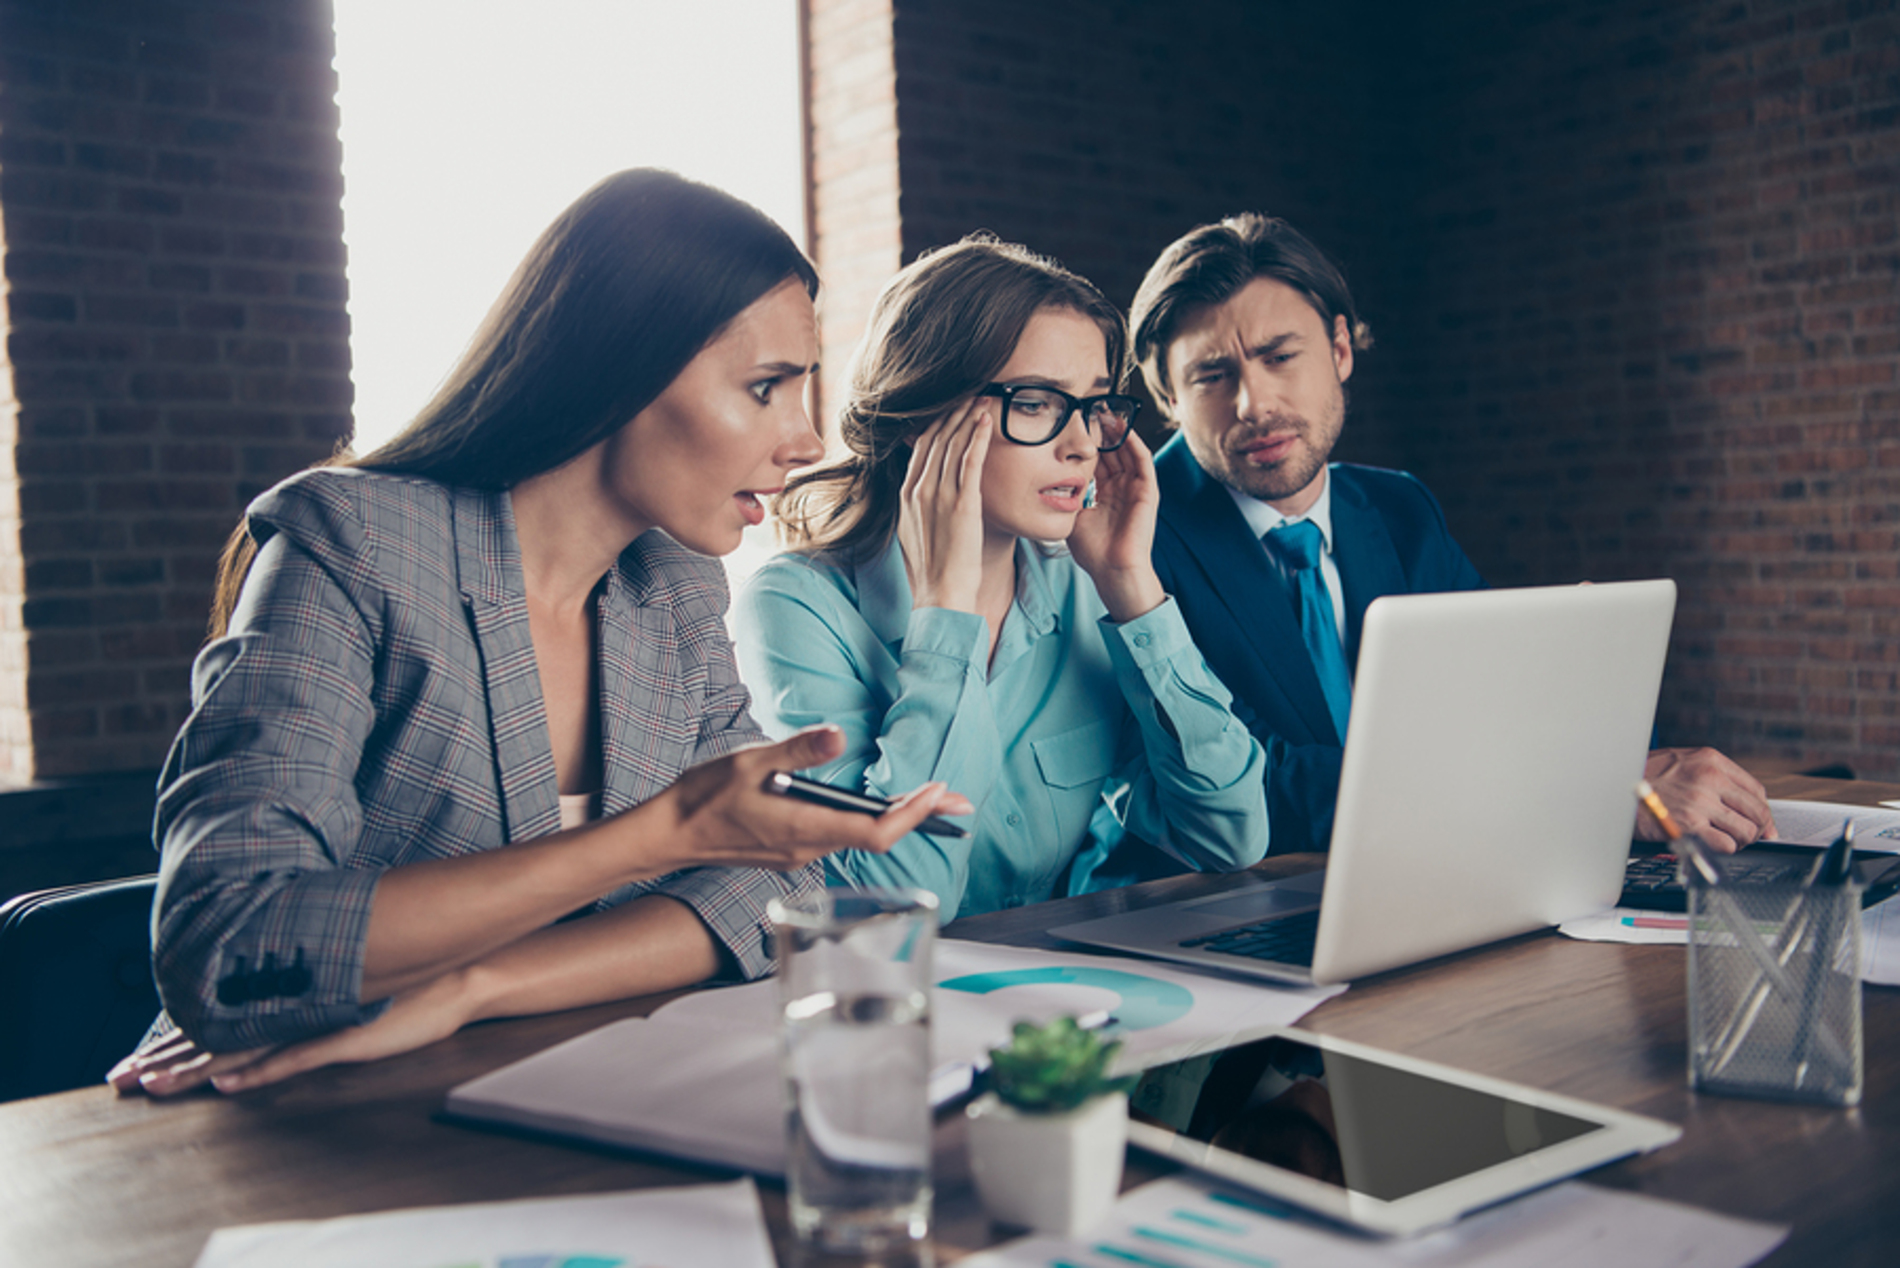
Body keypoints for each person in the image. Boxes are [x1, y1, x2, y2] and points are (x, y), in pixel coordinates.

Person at [108, 170, 967, 1098]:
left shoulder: (673, 586)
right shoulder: (352, 545)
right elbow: (229, 943)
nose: (805, 442)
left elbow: (772, 894)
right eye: (766, 389)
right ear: (621, 369)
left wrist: (477, 985)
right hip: (280, 1107)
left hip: (533, 1087)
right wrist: (661, 835)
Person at [1127, 212, 1776, 855]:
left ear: (1341, 350)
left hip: (1418, 872)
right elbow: (1259, 790)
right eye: (1212, 376)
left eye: (1280, 356)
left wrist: (1592, 702)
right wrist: (1589, 792)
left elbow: (1494, 708)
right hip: (1204, 902)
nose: (1255, 405)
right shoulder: (1131, 546)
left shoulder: (1400, 509)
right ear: (1167, 399)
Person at [732, 237, 1269, 922]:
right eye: (1039, 402)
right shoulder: (794, 608)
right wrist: (946, 618)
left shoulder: (1080, 588)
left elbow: (1231, 836)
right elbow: (889, 905)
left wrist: (1132, 588)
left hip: (1054, 1002)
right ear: (919, 415)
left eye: (1094, 404)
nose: (1080, 443)